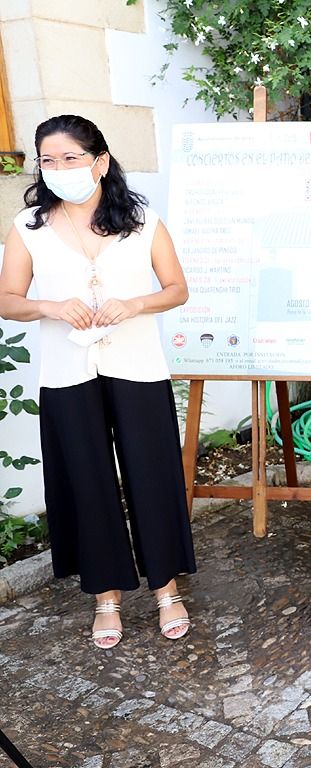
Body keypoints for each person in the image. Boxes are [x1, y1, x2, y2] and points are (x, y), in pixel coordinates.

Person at [0, 115, 196, 648]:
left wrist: (134, 304)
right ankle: (105, 597)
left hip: (138, 367)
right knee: (86, 481)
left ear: (101, 162)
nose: (59, 168)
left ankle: (167, 589)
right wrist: (50, 306)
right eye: (48, 160)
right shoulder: (29, 227)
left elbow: (176, 289)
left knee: (152, 476)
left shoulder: (141, 220)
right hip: (68, 374)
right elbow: (8, 300)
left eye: (71, 158)